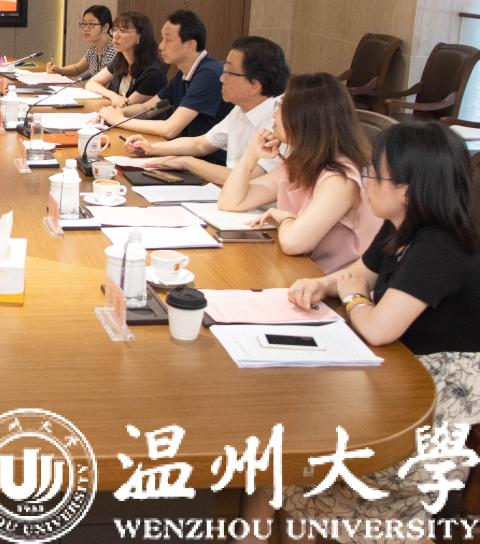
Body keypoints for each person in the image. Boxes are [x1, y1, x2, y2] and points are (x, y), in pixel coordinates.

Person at [240, 122, 480, 544]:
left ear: (407, 190)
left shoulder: (439, 247)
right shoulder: (402, 226)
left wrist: (352, 298)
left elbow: (378, 327)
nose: (366, 181)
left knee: (290, 449)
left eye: (375, 174)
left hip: (426, 414)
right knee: (279, 443)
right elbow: (359, 274)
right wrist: (322, 285)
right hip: (397, 376)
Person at [217, 72, 380, 272]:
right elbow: (230, 202)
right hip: (299, 270)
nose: (274, 114)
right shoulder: (298, 163)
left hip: (335, 282)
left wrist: (284, 217)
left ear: (305, 117)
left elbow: (293, 243)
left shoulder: (339, 179)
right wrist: (251, 155)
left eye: (281, 105)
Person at [123, 36, 289, 185]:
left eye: (228, 72)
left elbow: (249, 179)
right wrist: (152, 148)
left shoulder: (281, 121)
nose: (221, 78)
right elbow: (201, 144)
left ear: (254, 86)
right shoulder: (241, 108)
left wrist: (187, 162)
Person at [97, 9, 230, 141]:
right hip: (181, 148)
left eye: (168, 40)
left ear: (190, 44)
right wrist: (118, 112)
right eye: (162, 39)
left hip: (203, 153)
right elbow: (147, 108)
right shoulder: (182, 74)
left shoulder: (208, 74)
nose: (161, 46)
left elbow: (170, 129)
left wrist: (118, 120)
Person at [81, 10, 166, 108]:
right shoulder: (120, 59)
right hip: (115, 114)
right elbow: (91, 83)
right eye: (114, 30)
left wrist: (115, 99)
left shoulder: (153, 72)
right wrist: (113, 96)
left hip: (133, 117)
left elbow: (126, 106)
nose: (116, 35)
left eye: (123, 30)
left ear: (140, 36)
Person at [46, 4, 116, 79]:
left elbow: (103, 82)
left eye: (91, 24)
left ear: (105, 27)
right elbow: (77, 68)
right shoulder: (94, 48)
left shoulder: (113, 50)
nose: (85, 28)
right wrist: (58, 70)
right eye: (84, 24)